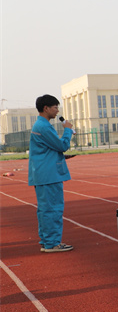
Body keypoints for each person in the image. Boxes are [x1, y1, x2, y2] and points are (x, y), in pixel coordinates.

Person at [28, 94, 75, 252]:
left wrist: (59, 155)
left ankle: (46, 240)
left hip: (43, 173)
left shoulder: (40, 125)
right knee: (53, 209)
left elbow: (48, 149)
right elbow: (61, 146)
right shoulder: (44, 127)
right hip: (49, 175)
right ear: (45, 108)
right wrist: (68, 130)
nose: (57, 111)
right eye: (55, 107)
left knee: (45, 209)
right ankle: (52, 243)